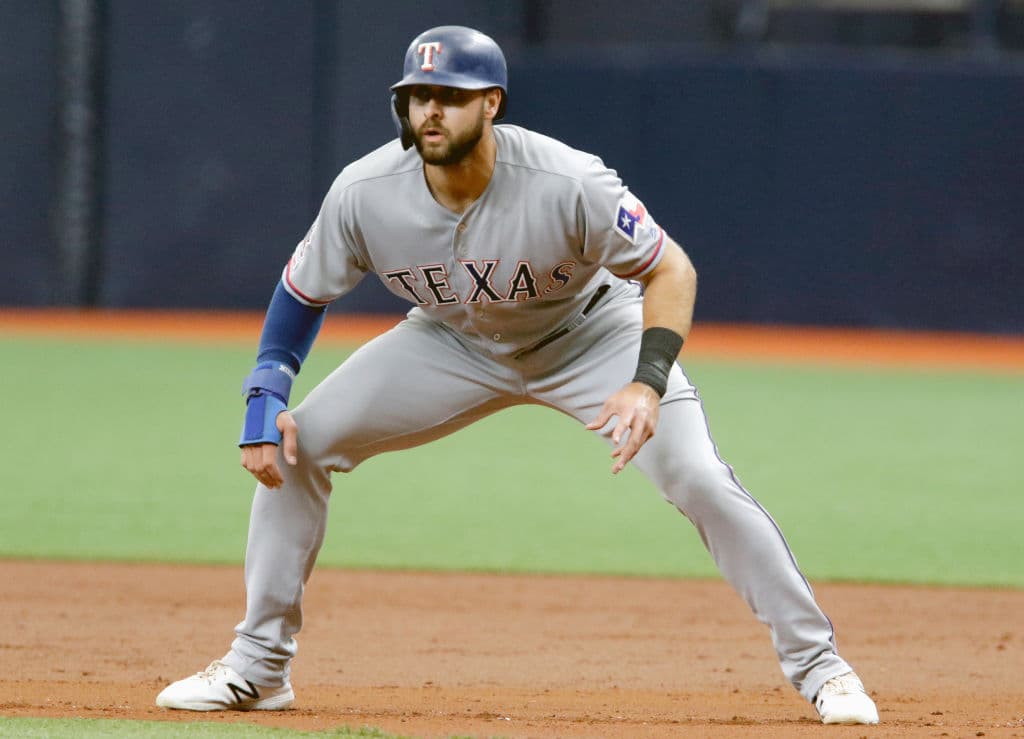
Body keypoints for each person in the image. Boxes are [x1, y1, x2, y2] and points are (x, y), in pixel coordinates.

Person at [155, 25, 879, 725]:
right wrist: (265, 391)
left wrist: (647, 379)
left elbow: (670, 268)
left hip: (591, 334)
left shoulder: (567, 180)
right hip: (451, 341)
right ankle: (259, 666)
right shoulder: (365, 190)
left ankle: (822, 667)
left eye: (451, 95)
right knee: (296, 444)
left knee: (697, 476)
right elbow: (302, 292)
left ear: (491, 103)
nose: (431, 110)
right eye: (418, 95)